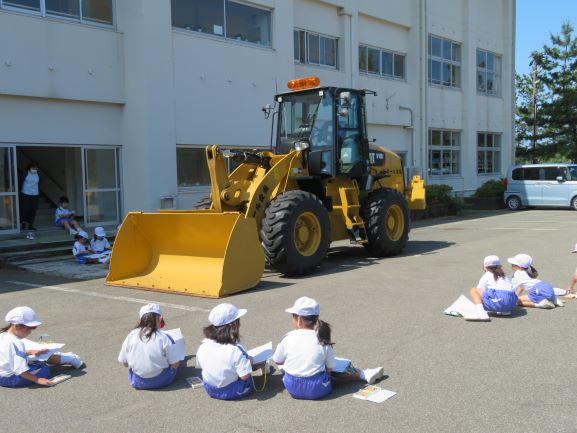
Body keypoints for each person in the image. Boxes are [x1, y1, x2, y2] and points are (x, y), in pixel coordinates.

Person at [272, 296, 384, 400]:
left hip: (292, 388)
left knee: (286, 363)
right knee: (335, 363)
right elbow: (330, 369)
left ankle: (364, 374)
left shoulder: (287, 337)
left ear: (299, 319)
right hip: (318, 389)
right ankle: (363, 374)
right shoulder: (322, 340)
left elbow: (277, 360)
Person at [0, 306, 83, 388]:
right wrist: (38, 379)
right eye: (29, 329)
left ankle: (59, 357)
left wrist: (29, 352)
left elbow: (8, 353)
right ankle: (68, 358)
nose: (30, 332)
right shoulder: (16, 343)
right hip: (12, 379)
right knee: (44, 368)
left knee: (35, 359)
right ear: (17, 326)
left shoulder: (2, 335)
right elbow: (20, 370)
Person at [196, 303, 255, 400]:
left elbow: (201, 365)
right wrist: (250, 361)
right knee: (248, 379)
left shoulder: (203, 345)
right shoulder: (236, 349)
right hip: (231, 390)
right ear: (234, 326)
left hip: (210, 388)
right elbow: (245, 376)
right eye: (238, 322)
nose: (240, 325)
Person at [118, 303, 180, 390]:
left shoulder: (131, 335)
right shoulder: (163, 337)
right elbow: (175, 364)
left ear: (140, 320)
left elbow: (125, 364)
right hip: (163, 380)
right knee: (177, 362)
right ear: (160, 318)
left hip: (138, 382)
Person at [464, 255, 520, 322]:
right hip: (511, 303)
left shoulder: (486, 275)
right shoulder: (504, 275)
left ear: (485, 267)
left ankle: (481, 313)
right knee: (497, 294)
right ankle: (504, 311)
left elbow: (479, 290)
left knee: (474, 290)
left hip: (500, 301)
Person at [19, 163, 40, 238]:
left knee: (33, 209)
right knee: (26, 208)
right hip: (25, 193)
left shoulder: (38, 174)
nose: (35, 169)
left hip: (35, 194)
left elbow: (39, 183)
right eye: (33, 168)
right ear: (30, 168)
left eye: (36, 168)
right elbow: (20, 181)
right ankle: (23, 223)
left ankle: (31, 225)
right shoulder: (25, 173)